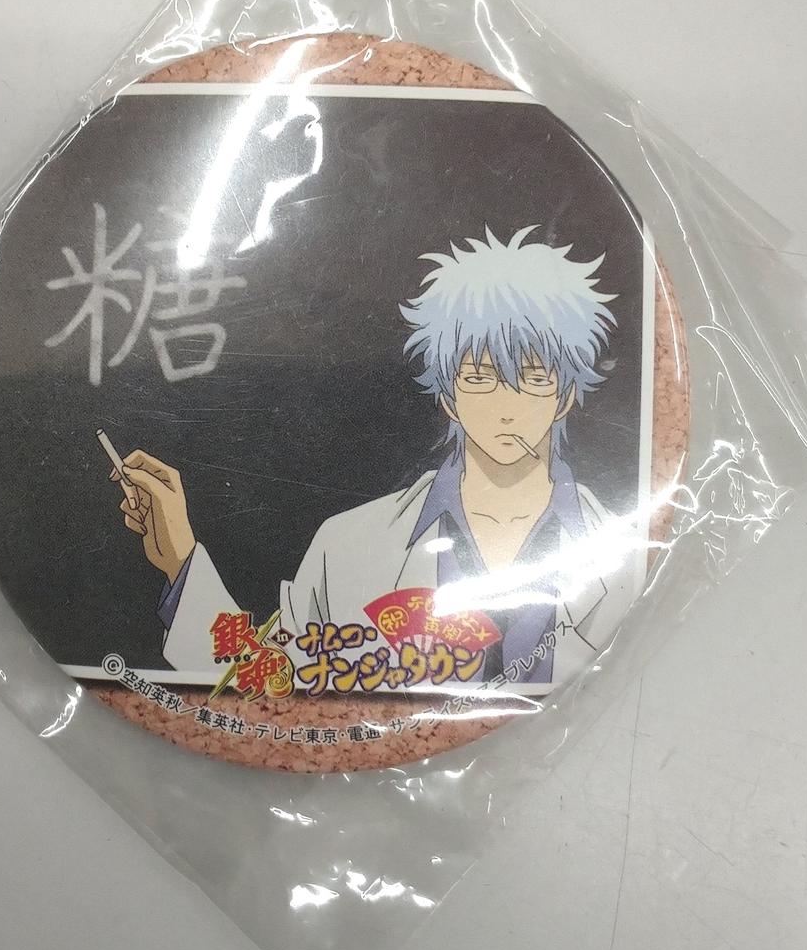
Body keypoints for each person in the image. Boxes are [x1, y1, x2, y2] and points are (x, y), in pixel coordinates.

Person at [110, 227, 637, 691]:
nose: (507, 406)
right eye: (479, 377)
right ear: (448, 395)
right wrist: (180, 560)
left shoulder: (626, 550)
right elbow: (271, 683)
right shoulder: (349, 543)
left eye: (535, 377)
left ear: (566, 394)